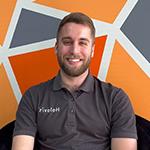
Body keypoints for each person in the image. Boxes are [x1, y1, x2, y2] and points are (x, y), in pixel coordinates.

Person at [12, 12, 137, 150]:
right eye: (67, 42)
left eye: (82, 43)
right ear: (56, 47)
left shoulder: (116, 99)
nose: (74, 50)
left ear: (92, 50)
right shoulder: (33, 97)